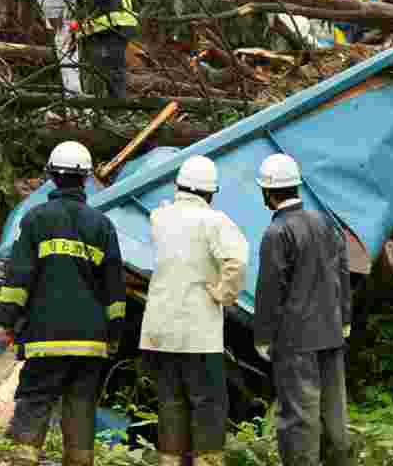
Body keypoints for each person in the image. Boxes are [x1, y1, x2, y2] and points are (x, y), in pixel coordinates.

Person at [0, 141, 125, 466]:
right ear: (85, 178)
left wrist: (5, 323)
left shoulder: (35, 220)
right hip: (90, 342)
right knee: (81, 407)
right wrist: (113, 335)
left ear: (51, 175)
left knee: (35, 401)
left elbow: (18, 281)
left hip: (44, 337)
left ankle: (24, 460)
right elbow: (114, 290)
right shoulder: (102, 225)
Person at [139, 155, 249, 466]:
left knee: (170, 402)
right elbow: (237, 262)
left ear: (178, 185)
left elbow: (164, 219)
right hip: (198, 331)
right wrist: (223, 294)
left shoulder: (159, 218)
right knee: (208, 403)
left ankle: (170, 461)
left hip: (160, 330)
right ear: (211, 192)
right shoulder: (215, 221)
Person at [253, 153, 352, 466]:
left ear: (267, 192)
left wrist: (263, 338)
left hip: (296, 341)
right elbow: (343, 275)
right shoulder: (324, 222)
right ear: (296, 186)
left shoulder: (276, 233)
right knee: (334, 412)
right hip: (331, 332)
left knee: (299, 415)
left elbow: (270, 291)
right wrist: (345, 319)